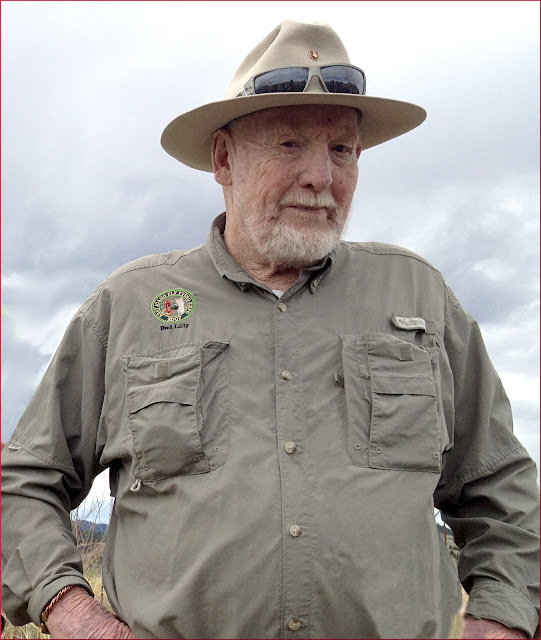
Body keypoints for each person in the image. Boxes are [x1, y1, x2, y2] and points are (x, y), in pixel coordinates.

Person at [1, 19, 539, 640]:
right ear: (223, 158)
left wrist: (501, 618)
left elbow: (498, 485)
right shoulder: (128, 307)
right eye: (289, 144)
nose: (321, 176)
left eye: (342, 149)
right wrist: (75, 615)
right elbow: (27, 480)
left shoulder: (419, 298)